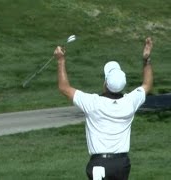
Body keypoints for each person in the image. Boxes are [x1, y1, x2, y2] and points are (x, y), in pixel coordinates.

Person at [54, 37, 153, 180]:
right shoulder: (130, 102)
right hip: (122, 163)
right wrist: (147, 60)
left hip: (99, 164)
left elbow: (64, 88)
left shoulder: (93, 103)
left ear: (106, 83)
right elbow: (147, 85)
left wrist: (60, 61)